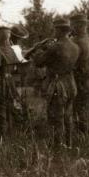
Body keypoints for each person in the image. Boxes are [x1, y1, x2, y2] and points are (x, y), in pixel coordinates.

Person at [31, 16, 80, 147]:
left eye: (55, 30)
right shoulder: (75, 46)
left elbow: (39, 62)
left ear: (59, 30)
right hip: (71, 83)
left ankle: (57, 146)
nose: (54, 32)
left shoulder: (55, 47)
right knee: (68, 115)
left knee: (55, 116)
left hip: (58, 86)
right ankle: (68, 144)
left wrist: (39, 49)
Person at [0, 21, 21, 136]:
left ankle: (1, 136)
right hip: (10, 81)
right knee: (9, 106)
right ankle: (10, 131)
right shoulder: (13, 50)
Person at [70, 13, 89, 135]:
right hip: (87, 75)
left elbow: (71, 60)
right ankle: (84, 133)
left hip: (78, 77)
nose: (71, 28)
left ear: (79, 25)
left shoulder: (77, 41)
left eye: (73, 25)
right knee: (83, 105)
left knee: (78, 106)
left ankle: (81, 134)